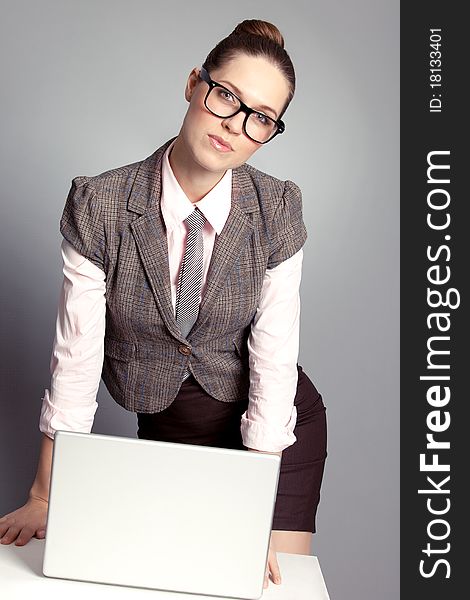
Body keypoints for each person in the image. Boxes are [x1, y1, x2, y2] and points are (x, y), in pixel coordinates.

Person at [0, 19, 327, 589]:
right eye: (226, 96)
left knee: (271, 587)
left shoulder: (277, 207)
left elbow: (274, 358)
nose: (235, 125)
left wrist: (250, 509)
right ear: (194, 84)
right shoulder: (100, 204)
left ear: (269, 132)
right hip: (170, 430)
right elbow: (75, 361)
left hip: (272, 433)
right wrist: (44, 494)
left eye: (261, 118)